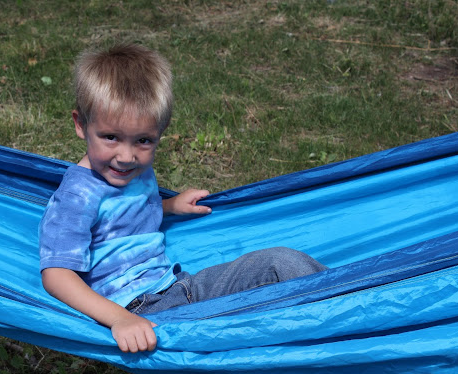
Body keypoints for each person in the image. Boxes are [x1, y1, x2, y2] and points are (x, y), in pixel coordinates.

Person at [39, 43, 326, 354]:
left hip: (181, 288)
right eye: (111, 137)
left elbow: (121, 218)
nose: (126, 156)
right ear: (81, 125)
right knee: (265, 308)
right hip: (145, 313)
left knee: (282, 263)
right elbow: (56, 275)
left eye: (143, 140)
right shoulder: (77, 197)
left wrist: (170, 206)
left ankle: (349, 303)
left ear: (160, 132)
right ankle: (330, 329)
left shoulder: (131, 171)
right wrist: (120, 319)